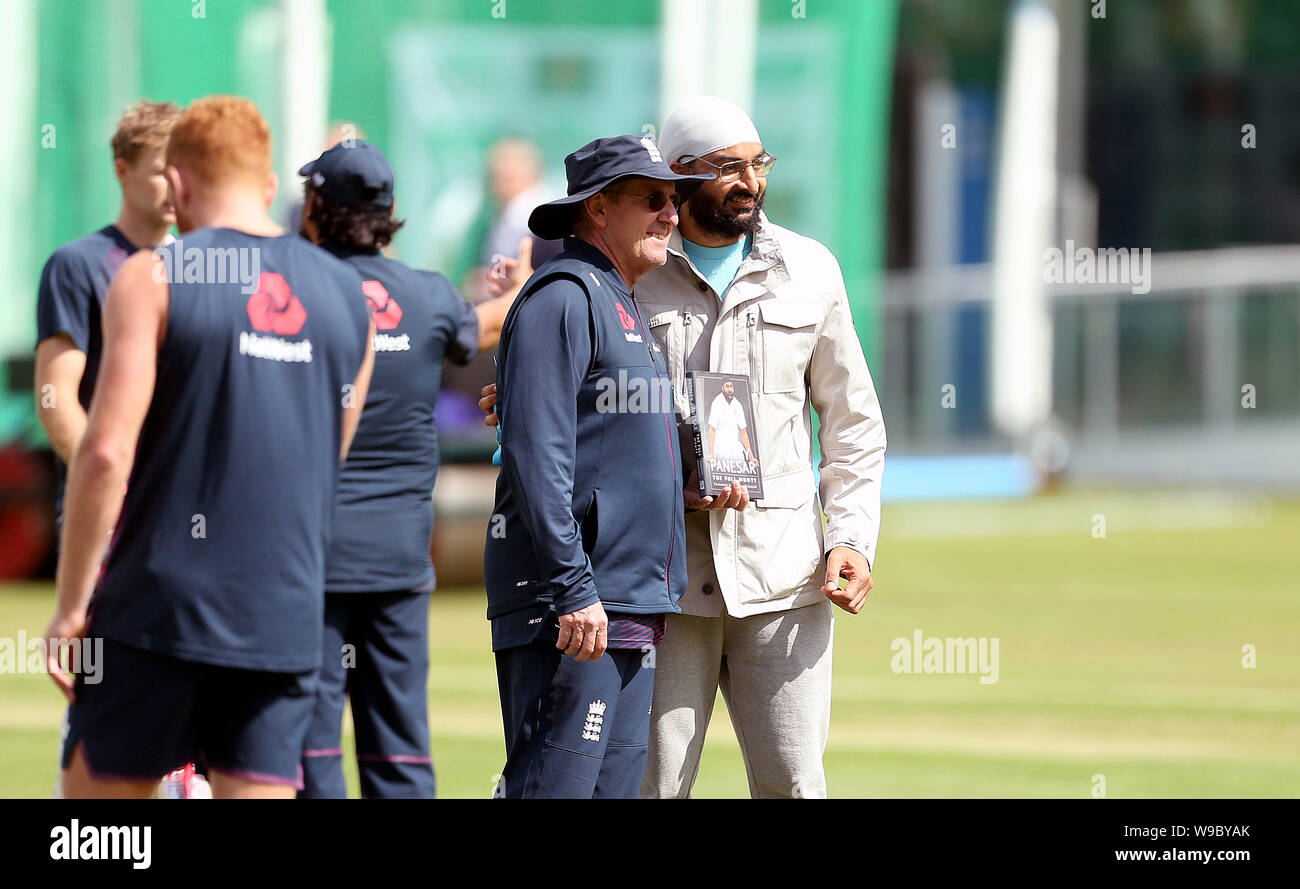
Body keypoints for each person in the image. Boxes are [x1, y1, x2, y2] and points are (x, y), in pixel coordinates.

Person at [481, 98, 888, 798]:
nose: (751, 181)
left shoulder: (811, 270)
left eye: (759, 163)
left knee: (795, 783)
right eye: (729, 167)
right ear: (680, 175)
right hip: (663, 586)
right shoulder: (630, 266)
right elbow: (579, 403)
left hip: (783, 578)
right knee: (650, 786)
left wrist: (850, 535)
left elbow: (854, 421)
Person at [43, 95, 375, 799]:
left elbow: (104, 452)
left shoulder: (152, 275)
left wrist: (73, 605)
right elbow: (328, 460)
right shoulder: (350, 298)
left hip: (158, 606)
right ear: (266, 185)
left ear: (180, 184)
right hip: (283, 614)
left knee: (95, 835)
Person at [294, 139, 527, 798]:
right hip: (398, 556)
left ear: (314, 206)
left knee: (309, 746)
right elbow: (491, 322)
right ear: (390, 212)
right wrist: (522, 278)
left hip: (309, 553)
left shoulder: (292, 289)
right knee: (399, 748)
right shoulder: (426, 296)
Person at [483, 134, 710, 799]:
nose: (671, 214)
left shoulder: (618, 297)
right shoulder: (565, 294)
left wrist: (686, 490)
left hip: (626, 606)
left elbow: (607, 449)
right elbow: (536, 453)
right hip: (576, 609)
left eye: (673, 200)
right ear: (598, 210)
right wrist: (573, 586)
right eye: (652, 199)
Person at [32, 99, 205, 799]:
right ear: (123, 168)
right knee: (108, 704)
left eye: (185, 170)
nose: (175, 186)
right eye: (162, 170)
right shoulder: (79, 265)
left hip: (198, 527)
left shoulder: (210, 268)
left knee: (200, 712)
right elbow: (57, 400)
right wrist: (117, 485)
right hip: (117, 521)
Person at [705, 379, 756, 467]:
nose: (730, 389)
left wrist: (751, 457)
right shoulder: (717, 403)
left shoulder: (737, 404)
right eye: (727, 386)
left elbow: (743, 432)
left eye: (731, 386)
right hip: (720, 451)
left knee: (739, 479)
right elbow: (712, 430)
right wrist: (711, 454)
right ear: (722, 388)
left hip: (736, 451)